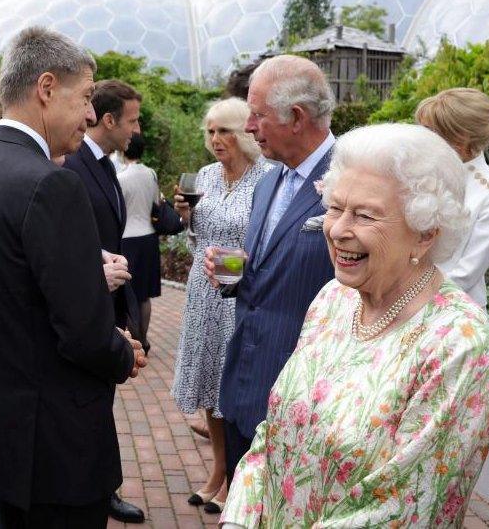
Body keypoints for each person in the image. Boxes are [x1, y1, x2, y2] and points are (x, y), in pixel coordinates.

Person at [219, 123, 489, 528]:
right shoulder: (333, 298)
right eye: (334, 207)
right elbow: (273, 433)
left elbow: (405, 506)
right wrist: (239, 520)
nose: (337, 230)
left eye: (364, 215)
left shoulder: (459, 340)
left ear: (424, 234)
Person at [0, 26, 147, 529]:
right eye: (83, 97)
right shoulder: (49, 183)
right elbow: (82, 333)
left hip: (8, 433)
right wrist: (124, 350)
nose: (87, 113)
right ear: (46, 87)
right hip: (58, 444)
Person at [207, 55, 338, 486]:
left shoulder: (351, 180)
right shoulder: (268, 181)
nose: (248, 127)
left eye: (258, 114)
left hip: (306, 399)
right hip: (245, 384)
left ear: (296, 117)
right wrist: (235, 273)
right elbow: (270, 272)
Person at [170, 98, 271, 513]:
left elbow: (263, 243)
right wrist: (187, 218)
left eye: (224, 130)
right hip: (203, 291)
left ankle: (236, 477)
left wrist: (233, 266)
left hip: (240, 293)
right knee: (210, 387)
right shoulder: (207, 176)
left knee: (234, 387)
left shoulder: (266, 177)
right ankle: (217, 472)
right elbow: (198, 239)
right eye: (210, 131)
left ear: (245, 133)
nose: (215, 140)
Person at [62, 78, 146, 524]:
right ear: (108, 119)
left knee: (101, 404)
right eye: (131, 120)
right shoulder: (72, 164)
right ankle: (95, 490)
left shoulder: (106, 165)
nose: (135, 130)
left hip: (109, 300)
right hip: (87, 302)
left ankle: (101, 487)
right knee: (88, 406)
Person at [415, 88, 489, 308]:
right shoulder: (417, 170)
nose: (423, 138)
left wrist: (412, 299)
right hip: (395, 301)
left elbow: (468, 272)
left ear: (461, 137)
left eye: (432, 131)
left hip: (452, 310)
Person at [116, 132, 164, 352]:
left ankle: (135, 342)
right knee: (145, 295)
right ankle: (143, 340)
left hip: (128, 240)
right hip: (149, 237)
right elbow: (156, 203)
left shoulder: (120, 177)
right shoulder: (151, 174)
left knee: (131, 294)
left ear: (125, 148)